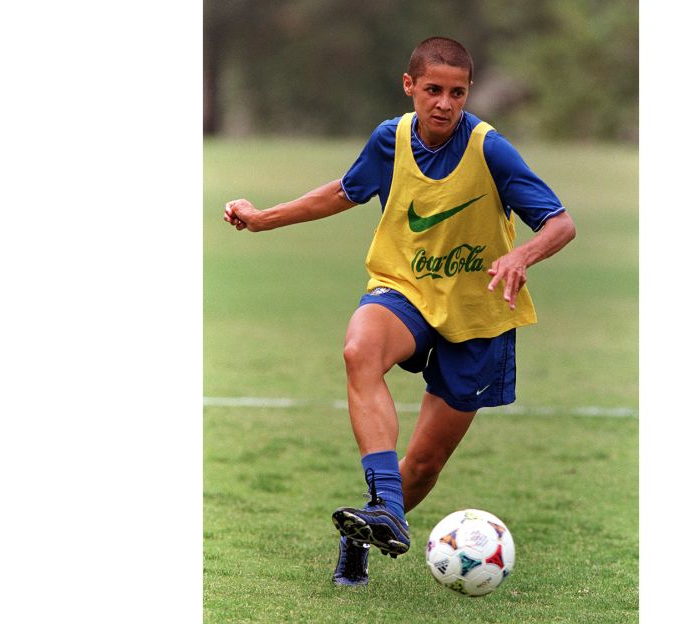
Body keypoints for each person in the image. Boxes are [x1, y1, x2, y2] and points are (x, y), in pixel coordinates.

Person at [223, 36, 576, 586]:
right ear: (409, 86)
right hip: (403, 289)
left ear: (468, 94)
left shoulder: (491, 149)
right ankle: (383, 502)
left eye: (457, 92)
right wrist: (264, 218)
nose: (444, 103)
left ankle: (364, 530)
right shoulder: (391, 139)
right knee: (359, 348)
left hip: (477, 314)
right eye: (433, 89)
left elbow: (560, 222)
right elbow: (344, 191)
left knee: (425, 465)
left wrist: (521, 254)